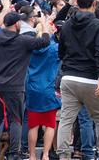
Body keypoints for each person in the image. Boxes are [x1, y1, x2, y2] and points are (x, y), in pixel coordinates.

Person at [0, 11, 52, 160]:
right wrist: (44, 23)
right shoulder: (23, 41)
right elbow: (45, 41)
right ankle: (14, 153)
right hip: (15, 87)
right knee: (16, 120)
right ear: (17, 24)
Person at [56, 0, 99, 160]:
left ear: (77, 3)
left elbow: (61, 52)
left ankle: (63, 156)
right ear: (94, 3)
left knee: (66, 120)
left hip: (69, 77)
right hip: (91, 79)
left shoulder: (66, 25)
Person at [24, 11, 60, 160]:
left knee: (33, 125)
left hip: (32, 88)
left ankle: (32, 155)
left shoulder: (30, 48)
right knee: (50, 124)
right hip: (49, 88)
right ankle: (45, 154)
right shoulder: (54, 48)